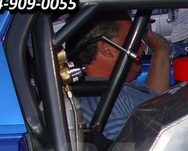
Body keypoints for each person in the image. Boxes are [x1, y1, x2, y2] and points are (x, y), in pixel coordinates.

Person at [67, 11, 171, 140]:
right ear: (105, 48)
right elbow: (136, 148)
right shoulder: (105, 103)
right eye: (132, 38)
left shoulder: (114, 88)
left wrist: (160, 49)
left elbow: (153, 98)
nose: (142, 45)